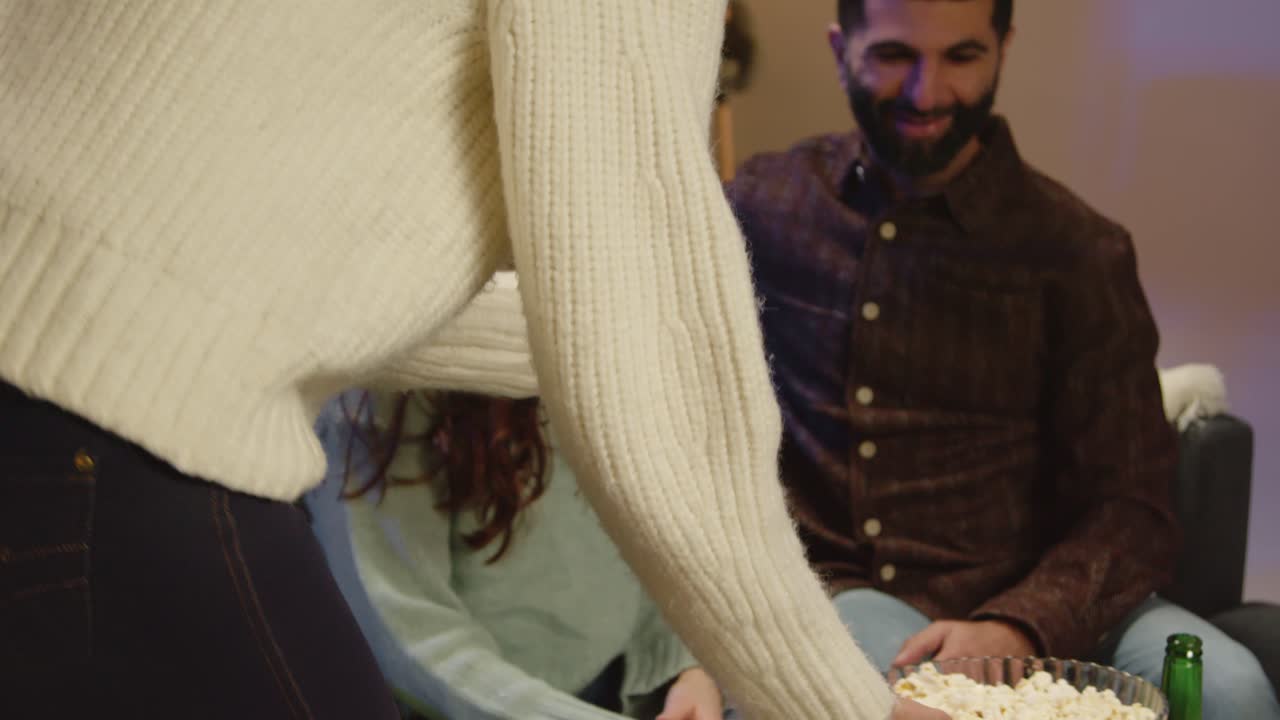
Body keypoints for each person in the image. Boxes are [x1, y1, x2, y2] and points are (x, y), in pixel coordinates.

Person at [0, 2, 939, 718]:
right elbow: (640, 359)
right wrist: (841, 705)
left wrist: (602, 344)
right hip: (99, 430)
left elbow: (249, 270)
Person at [722, 0, 1280, 717]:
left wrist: (1020, 621)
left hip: (1047, 601)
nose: (927, 94)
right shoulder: (766, 208)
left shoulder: (1078, 251)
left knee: (1232, 689)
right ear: (842, 51)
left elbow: (1134, 504)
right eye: (895, 56)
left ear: (1002, 50)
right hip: (851, 597)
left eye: (962, 57)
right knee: (912, 698)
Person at [305, 387, 722, 720]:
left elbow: (648, 539)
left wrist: (685, 669)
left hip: (625, 689)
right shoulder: (378, 402)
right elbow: (404, 632)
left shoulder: (609, 364)